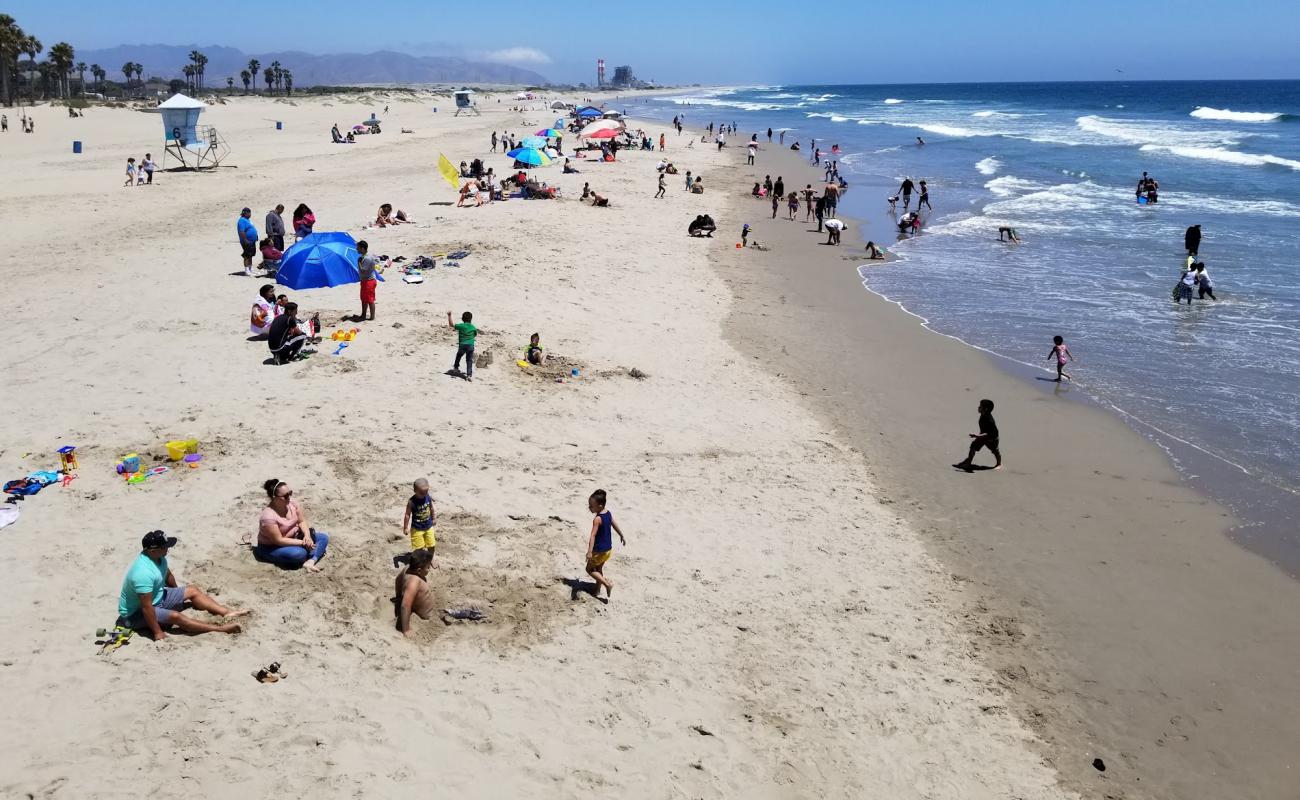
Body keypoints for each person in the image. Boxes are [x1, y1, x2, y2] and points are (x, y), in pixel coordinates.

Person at [117, 530, 248, 640]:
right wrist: (157, 633)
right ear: (152, 550)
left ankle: (226, 612)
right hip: (135, 615)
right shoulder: (142, 573)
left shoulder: (159, 557)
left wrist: (177, 594)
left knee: (192, 590)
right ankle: (220, 629)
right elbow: (146, 607)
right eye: (165, 547)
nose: (168, 548)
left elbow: (167, 575)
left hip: (158, 598)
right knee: (175, 616)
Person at [255, 479, 329, 571]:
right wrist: (303, 543)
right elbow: (278, 540)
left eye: (290, 493)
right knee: (299, 554)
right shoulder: (268, 517)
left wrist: (307, 536)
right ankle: (310, 554)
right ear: (274, 497)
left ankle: (310, 561)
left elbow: (302, 521)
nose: (289, 497)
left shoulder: (292, 503)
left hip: (294, 539)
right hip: (272, 547)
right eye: (285, 495)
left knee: (323, 537)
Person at [583, 489, 627, 601]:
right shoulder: (608, 513)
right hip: (608, 550)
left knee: (589, 569)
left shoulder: (597, 519)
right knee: (599, 568)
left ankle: (607, 584)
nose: (589, 508)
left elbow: (592, 536)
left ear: (600, 506)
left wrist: (589, 551)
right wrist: (621, 534)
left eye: (592, 506)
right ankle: (597, 590)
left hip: (599, 550)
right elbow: (614, 523)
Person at [395, 549, 436, 637]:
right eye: (428, 567)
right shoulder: (414, 582)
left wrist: (398, 596)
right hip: (425, 615)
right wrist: (406, 630)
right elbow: (405, 605)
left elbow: (397, 580)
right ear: (419, 571)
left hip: (417, 605)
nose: (429, 570)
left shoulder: (407, 568)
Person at [954, 399, 1001, 471]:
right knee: (973, 446)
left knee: (995, 451)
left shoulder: (989, 420)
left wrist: (977, 436)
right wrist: (979, 436)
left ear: (985, 409)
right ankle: (968, 462)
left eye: (980, 407)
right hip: (982, 436)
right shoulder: (983, 415)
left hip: (992, 438)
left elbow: (987, 434)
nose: (978, 408)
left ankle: (998, 464)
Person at [402, 478, 437, 556]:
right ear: (415, 490)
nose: (424, 494)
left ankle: (430, 558)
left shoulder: (427, 497)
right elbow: (407, 515)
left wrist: (433, 518)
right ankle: (421, 560)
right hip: (416, 528)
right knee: (418, 548)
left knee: (431, 545)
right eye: (421, 492)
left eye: (426, 491)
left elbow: (431, 508)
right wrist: (405, 527)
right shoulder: (411, 502)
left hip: (428, 526)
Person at [356, 240, 382, 321]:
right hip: (365, 280)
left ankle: (372, 317)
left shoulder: (367, 258)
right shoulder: (365, 257)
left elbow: (363, 270)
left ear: (362, 248)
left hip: (369, 281)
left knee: (370, 299)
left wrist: (359, 262)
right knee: (363, 299)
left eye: (358, 248)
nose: (357, 249)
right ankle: (363, 315)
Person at [449, 310, 477, 381]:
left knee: (458, 356)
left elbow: (451, 325)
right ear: (471, 319)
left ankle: (456, 368)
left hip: (463, 345)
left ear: (462, 319)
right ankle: (469, 375)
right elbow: (475, 334)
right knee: (469, 360)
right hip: (470, 345)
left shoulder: (461, 326)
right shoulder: (473, 327)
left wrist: (449, 316)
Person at [236, 207, 258, 276]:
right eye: (249, 213)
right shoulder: (242, 220)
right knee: (247, 255)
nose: (250, 214)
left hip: (252, 241)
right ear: (245, 213)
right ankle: (246, 270)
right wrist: (245, 240)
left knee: (251, 255)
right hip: (246, 241)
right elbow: (241, 231)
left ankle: (250, 269)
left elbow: (252, 229)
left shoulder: (248, 220)